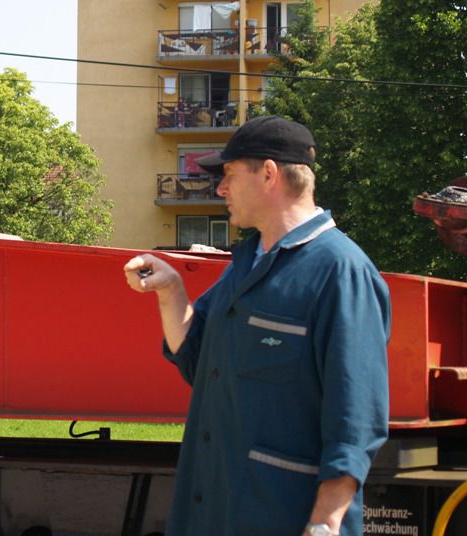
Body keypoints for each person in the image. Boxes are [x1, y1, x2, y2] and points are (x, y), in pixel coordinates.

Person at [124, 115, 391, 536]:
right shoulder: (247, 263)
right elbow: (196, 360)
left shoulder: (341, 272)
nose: (220, 188)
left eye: (229, 174)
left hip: (279, 516)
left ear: (269, 173)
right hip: (209, 512)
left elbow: (355, 420)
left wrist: (324, 524)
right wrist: (172, 290)